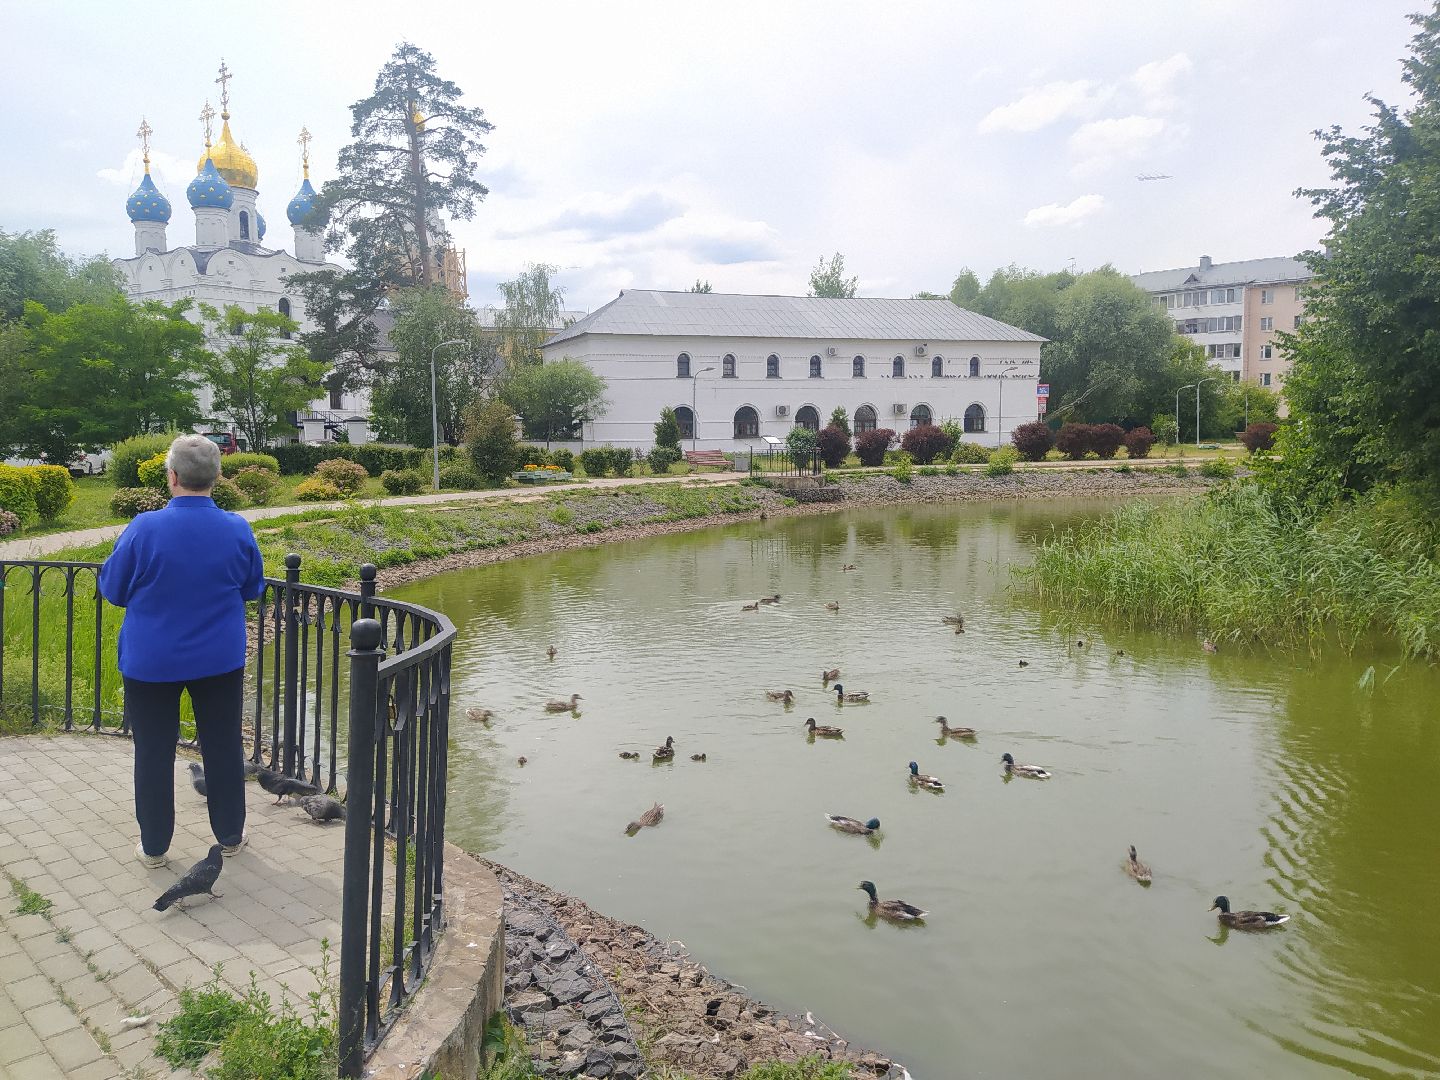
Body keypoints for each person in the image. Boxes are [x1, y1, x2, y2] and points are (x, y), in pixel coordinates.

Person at [99, 434, 264, 869]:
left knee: (153, 750)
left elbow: (113, 589)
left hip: (152, 661)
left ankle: (154, 847)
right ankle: (230, 836)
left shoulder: (144, 527)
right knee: (223, 746)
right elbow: (252, 586)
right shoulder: (236, 528)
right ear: (217, 476)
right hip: (218, 660)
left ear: (172, 476)